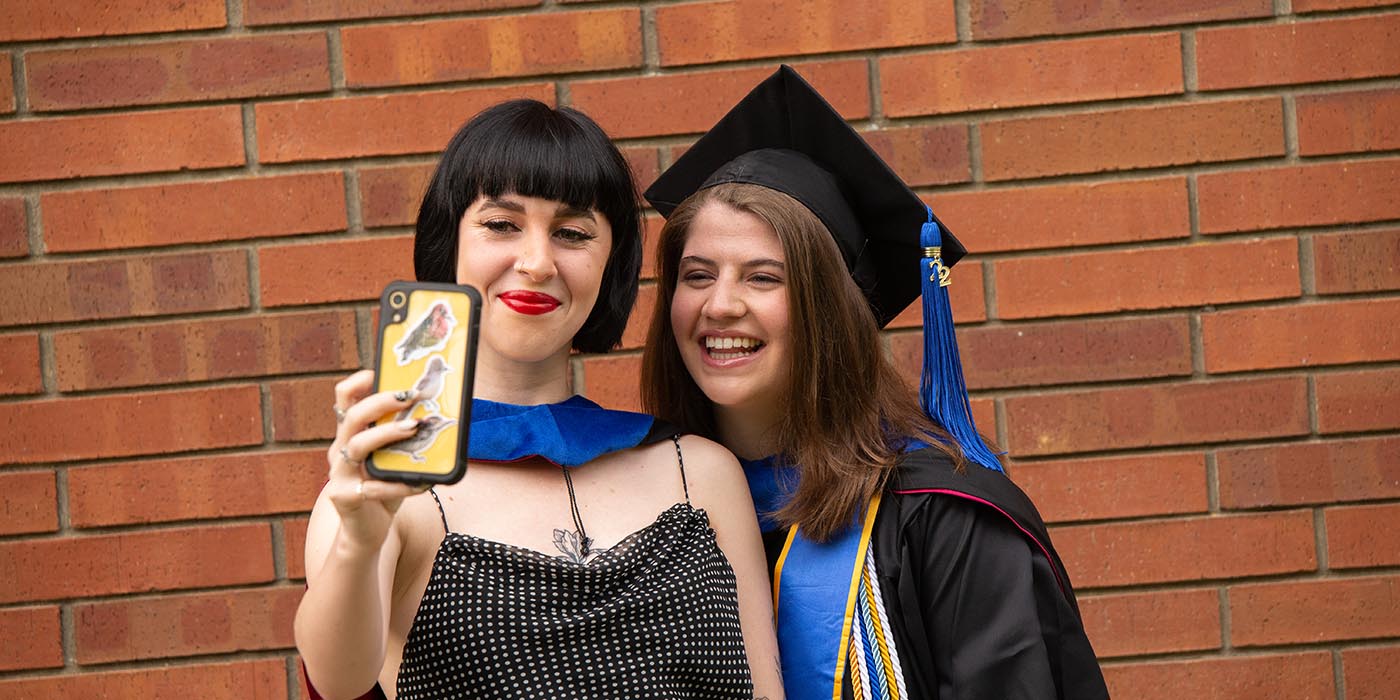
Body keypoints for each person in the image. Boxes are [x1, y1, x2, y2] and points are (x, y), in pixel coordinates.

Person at [640, 66, 1108, 700]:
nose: (719, 305)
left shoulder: (941, 514)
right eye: (697, 275)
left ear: (832, 310)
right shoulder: (646, 506)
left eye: (763, 277)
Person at [296, 99, 783, 700]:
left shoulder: (700, 472)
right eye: (501, 224)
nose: (535, 262)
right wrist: (359, 540)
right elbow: (336, 679)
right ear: (450, 242)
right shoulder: (388, 491)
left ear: (612, 263)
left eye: (572, 233)